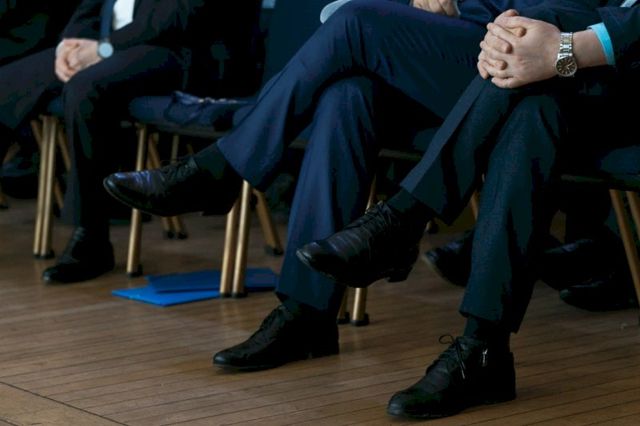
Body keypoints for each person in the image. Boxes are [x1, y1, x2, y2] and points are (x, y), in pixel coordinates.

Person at [104, 0, 541, 370]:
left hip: (525, 54)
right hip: (451, 50)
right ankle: (306, 313)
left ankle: (222, 168)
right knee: (346, 94)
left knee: (354, 21)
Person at [294, 0, 639, 418]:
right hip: (590, 77)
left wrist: (564, 48)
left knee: (546, 23)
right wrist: (528, 40)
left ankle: (404, 218)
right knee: (535, 104)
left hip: (615, 72)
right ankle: (484, 348)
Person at [0, 0, 250, 284]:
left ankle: (91, 238)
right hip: (107, 47)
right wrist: (69, 46)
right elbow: (89, 6)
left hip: (178, 51)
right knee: (5, 82)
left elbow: (176, 18)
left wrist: (103, 49)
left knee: (85, 88)